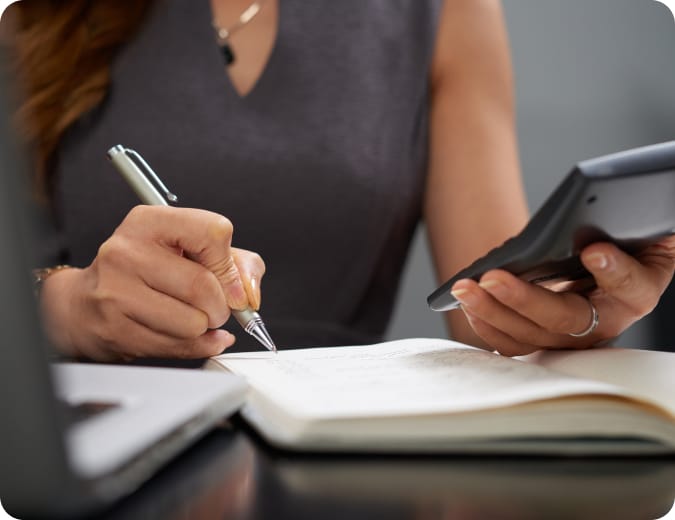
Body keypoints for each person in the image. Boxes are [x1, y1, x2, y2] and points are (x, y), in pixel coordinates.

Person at [4, 0, 674, 363]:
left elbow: (486, 302)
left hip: (335, 447)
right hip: (80, 428)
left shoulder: (446, 10)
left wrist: (578, 299)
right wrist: (65, 308)